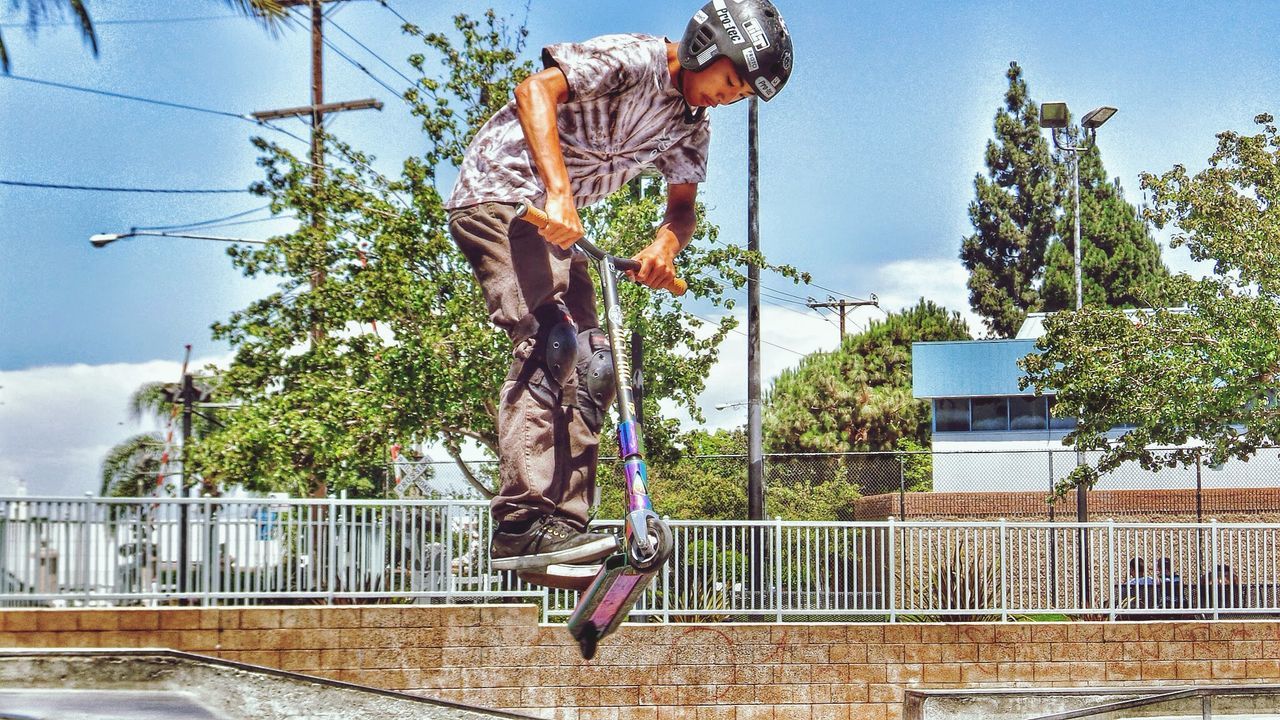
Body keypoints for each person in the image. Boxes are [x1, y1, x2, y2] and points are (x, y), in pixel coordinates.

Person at [444, 1, 793, 571]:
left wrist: (664, 247)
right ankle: (521, 523)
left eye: (741, 96)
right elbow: (535, 92)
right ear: (707, 47)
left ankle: (564, 526)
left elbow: (681, 210)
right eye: (729, 81)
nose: (727, 97)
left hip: (556, 223)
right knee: (550, 340)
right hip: (502, 194)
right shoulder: (637, 59)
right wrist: (560, 194)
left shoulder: (691, 127)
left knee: (593, 363)